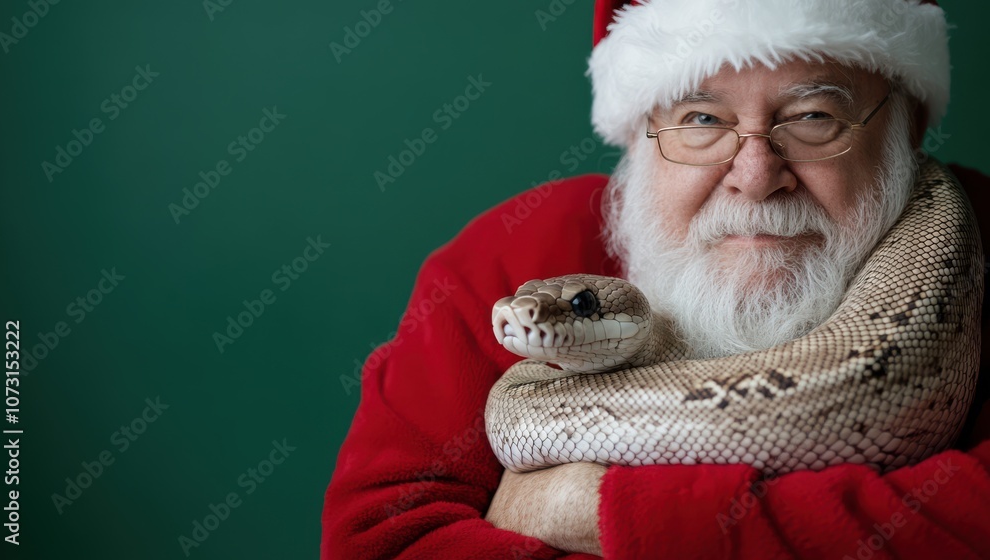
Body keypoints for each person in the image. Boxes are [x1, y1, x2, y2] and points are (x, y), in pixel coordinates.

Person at [322, 0, 990, 558]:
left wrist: (592, 509)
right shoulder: (510, 260)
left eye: (815, 116)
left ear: (908, 126)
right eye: (702, 120)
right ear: (641, 130)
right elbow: (384, 542)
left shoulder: (976, 230)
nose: (755, 177)